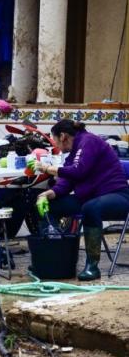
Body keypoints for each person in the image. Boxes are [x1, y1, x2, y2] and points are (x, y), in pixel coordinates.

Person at [35, 120, 129, 281]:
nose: (55, 144)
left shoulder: (89, 141)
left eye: (55, 139)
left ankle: (92, 266)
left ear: (63, 136)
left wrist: (46, 168)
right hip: (89, 198)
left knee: (90, 208)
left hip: (118, 196)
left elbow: (78, 172)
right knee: (50, 205)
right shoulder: (73, 152)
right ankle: (53, 259)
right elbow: (66, 182)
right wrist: (48, 194)